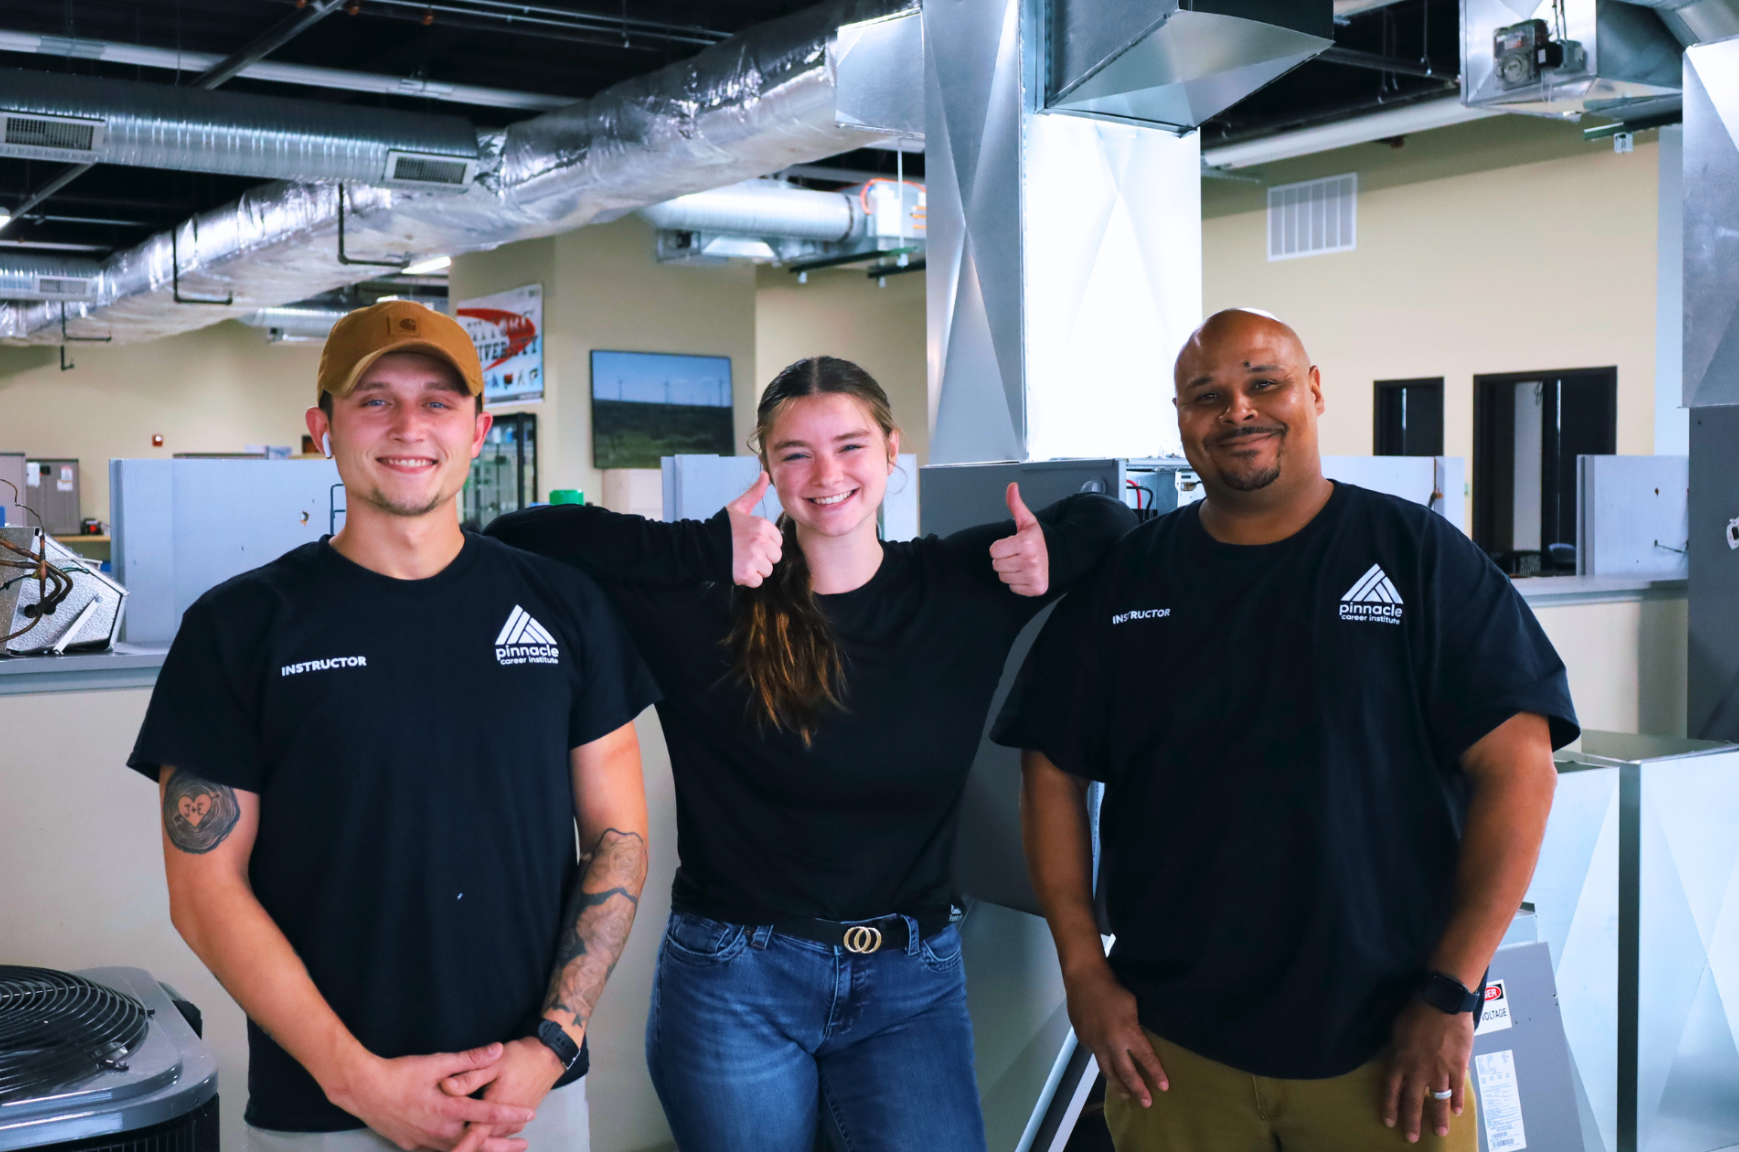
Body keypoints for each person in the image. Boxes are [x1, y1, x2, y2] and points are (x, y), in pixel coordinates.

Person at [484, 356, 1132, 1152]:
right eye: (796, 453)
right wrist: (697, 547)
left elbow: (1109, 521)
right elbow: (516, 535)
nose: (827, 474)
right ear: (767, 466)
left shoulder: (960, 582)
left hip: (913, 978)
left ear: (893, 450)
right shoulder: (705, 602)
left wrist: (1051, 560)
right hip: (735, 978)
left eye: (852, 446)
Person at [997, 309, 1575, 1151]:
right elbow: (1050, 769)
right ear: (1182, 420)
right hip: (1174, 1053)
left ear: (1312, 392)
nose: (1237, 410)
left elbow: (1521, 771)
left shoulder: (1421, 558)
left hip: (1387, 1047)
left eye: (1262, 383)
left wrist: (1451, 994)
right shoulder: (1130, 580)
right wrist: (1083, 969)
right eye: (1207, 396)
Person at [128, 300, 659, 1152]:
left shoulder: (564, 608)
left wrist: (550, 1045)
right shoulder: (240, 629)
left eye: (438, 402)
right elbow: (203, 889)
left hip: (528, 1097)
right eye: (375, 399)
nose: (409, 425)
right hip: (326, 1107)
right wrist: (357, 1079)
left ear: (480, 429)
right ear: (322, 426)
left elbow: (618, 839)